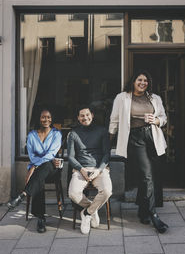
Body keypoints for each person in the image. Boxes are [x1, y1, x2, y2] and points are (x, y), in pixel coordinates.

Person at [109, 70, 169, 233]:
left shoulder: (155, 98)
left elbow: (163, 118)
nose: (143, 83)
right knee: (147, 175)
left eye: (146, 81)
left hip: (153, 138)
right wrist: (108, 142)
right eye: (140, 80)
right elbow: (114, 120)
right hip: (134, 139)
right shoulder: (122, 98)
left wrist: (156, 120)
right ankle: (153, 214)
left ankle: (143, 212)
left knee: (149, 176)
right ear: (133, 81)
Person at [7, 108, 62, 233]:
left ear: (51, 119)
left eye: (48, 117)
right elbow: (31, 156)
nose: (46, 120)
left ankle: (23, 194)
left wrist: (35, 166)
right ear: (39, 119)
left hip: (52, 171)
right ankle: (41, 218)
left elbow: (52, 153)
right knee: (39, 178)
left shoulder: (56, 134)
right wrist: (38, 165)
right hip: (39, 172)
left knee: (47, 166)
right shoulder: (31, 135)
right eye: (43, 117)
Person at [67, 105, 112, 235]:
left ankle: (86, 213)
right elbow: (70, 157)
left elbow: (106, 154)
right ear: (78, 118)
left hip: (99, 169)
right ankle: (93, 208)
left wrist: (99, 170)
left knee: (107, 191)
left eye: (87, 115)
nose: (85, 118)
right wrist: (81, 170)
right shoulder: (73, 134)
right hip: (81, 170)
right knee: (73, 193)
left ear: (92, 115)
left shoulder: (102, 131)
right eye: (82, 115)